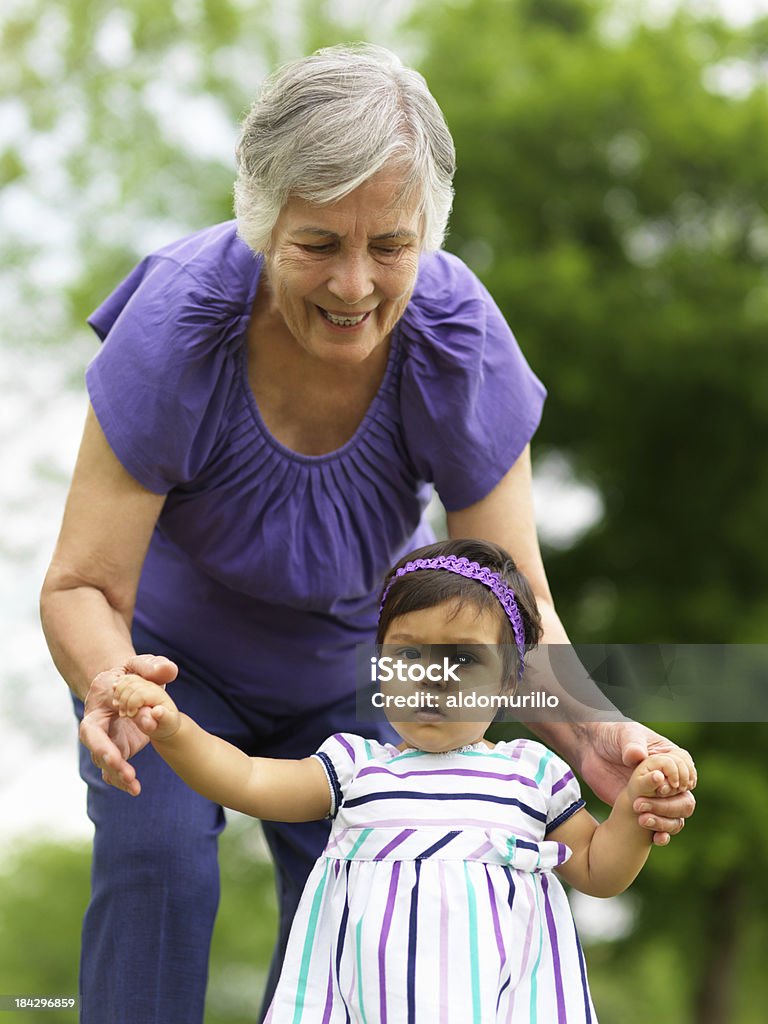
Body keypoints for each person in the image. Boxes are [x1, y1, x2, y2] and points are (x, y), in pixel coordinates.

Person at [39, 43, 695, 1024]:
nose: (354, 285)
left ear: (425, 232)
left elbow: (516, 598)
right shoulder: (180, 324)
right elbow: (81, 585)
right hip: (169, 671)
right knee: (159, 855)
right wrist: (114, 684)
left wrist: (595, 733)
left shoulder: (454, 337)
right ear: (265, 224)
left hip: (359, 671)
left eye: (389, 244)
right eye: (317, 244)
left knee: (377, 907)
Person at [112, 539, 693, 1023]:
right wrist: (174, 727)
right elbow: (247, 780)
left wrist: (637, 809)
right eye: (406, 655)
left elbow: (597, 870)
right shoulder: (355, 767)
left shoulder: (532, 774)